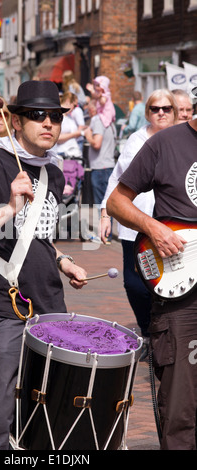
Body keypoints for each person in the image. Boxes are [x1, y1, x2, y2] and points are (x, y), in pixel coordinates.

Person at [0, 80, 88, 450]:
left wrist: (63, 260)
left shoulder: (52, 172)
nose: (48, 123)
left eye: (55, 116)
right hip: (1, 308)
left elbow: (34, 236)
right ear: (15, 119)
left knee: (45, 414)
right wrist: (7, 208)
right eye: (37, 115)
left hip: (50, 306)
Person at [106, 99, 197, 450]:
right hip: (180, 295)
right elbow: (117, 201)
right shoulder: (165, 143)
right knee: (181, 405)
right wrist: (153, 228)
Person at [100, 89, 178, 356]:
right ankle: (147, 332)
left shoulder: (182, 140)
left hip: (171, 227)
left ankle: (162, 337)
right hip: (134, 224)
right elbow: (117, 178)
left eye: (166, 108)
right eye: (155, 109)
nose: (161, 113)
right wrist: (104, 213)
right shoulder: (136, 140)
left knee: (166, 283)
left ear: (175, 112)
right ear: (147, 112)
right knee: (134, 284)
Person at [83, 91, 116, 242]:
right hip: (108, 165)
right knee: (107, 203)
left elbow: (96, 144)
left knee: (100, 204)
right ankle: (106, 234)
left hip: (100, 167)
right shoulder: (110, 121)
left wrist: (87, 134)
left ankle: (102, 235)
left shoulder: (97, 120)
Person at [55, 92, 84, 159]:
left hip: (73, 154)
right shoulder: (58, 116)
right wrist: (74, 134)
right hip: (62, 154)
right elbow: (57, 138)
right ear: (68, 101)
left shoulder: (69, 117)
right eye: (74, 105)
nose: (74, 108)